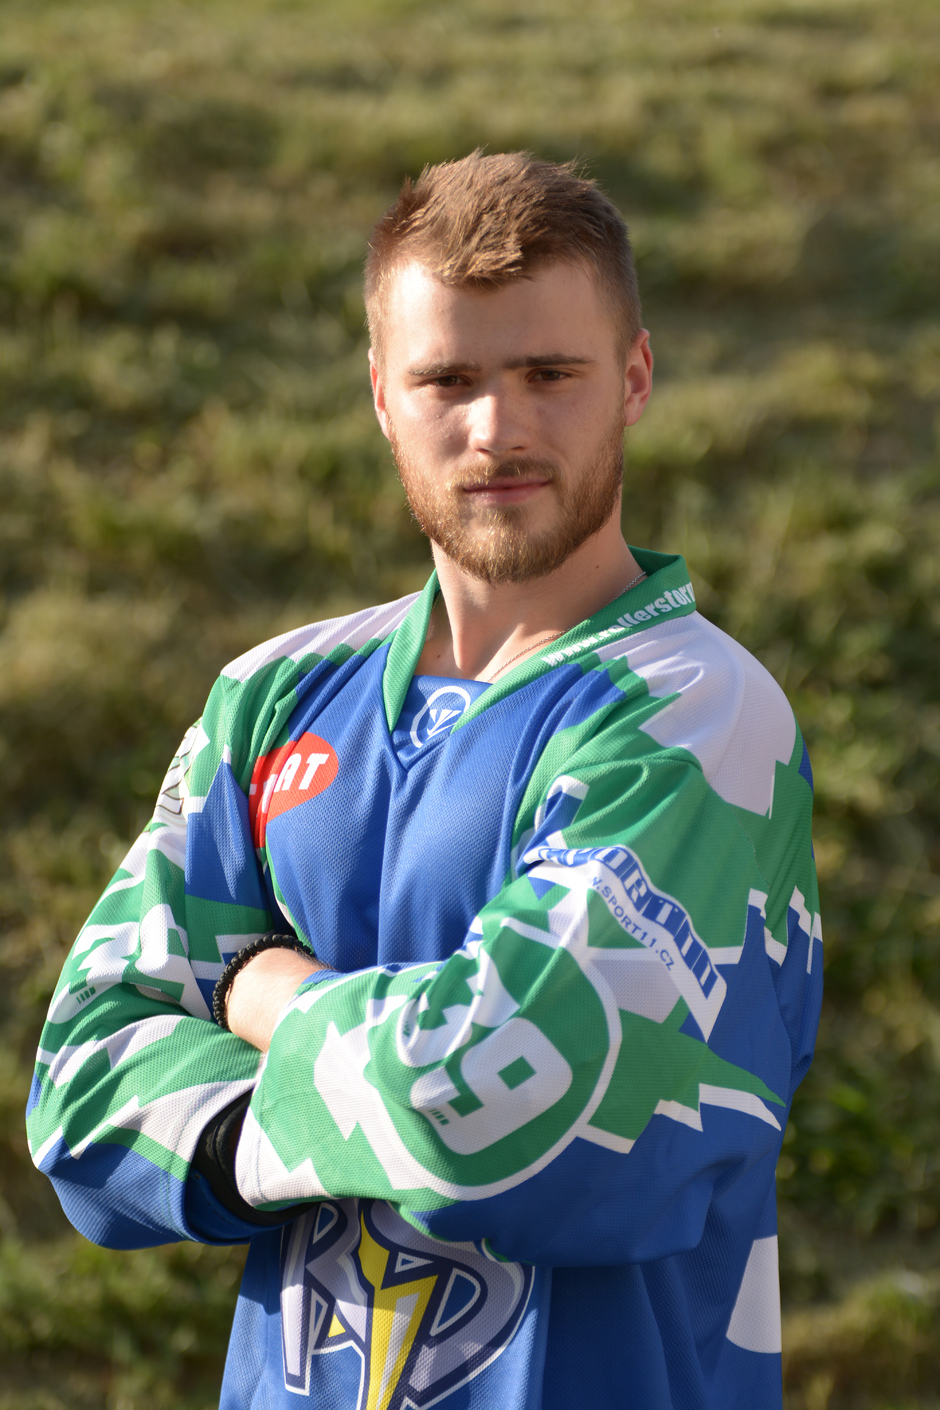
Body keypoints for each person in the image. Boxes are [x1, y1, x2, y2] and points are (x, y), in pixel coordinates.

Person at [28, 151, 822, 1410]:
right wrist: (348, 1102)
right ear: (380, 396)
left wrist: (259, 991)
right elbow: (79, 1082)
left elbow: (499, 1115)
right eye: (448, 379)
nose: (497, 428)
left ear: (634, 378)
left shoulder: (697, 718)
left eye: (548, 375)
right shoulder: (271, 699)